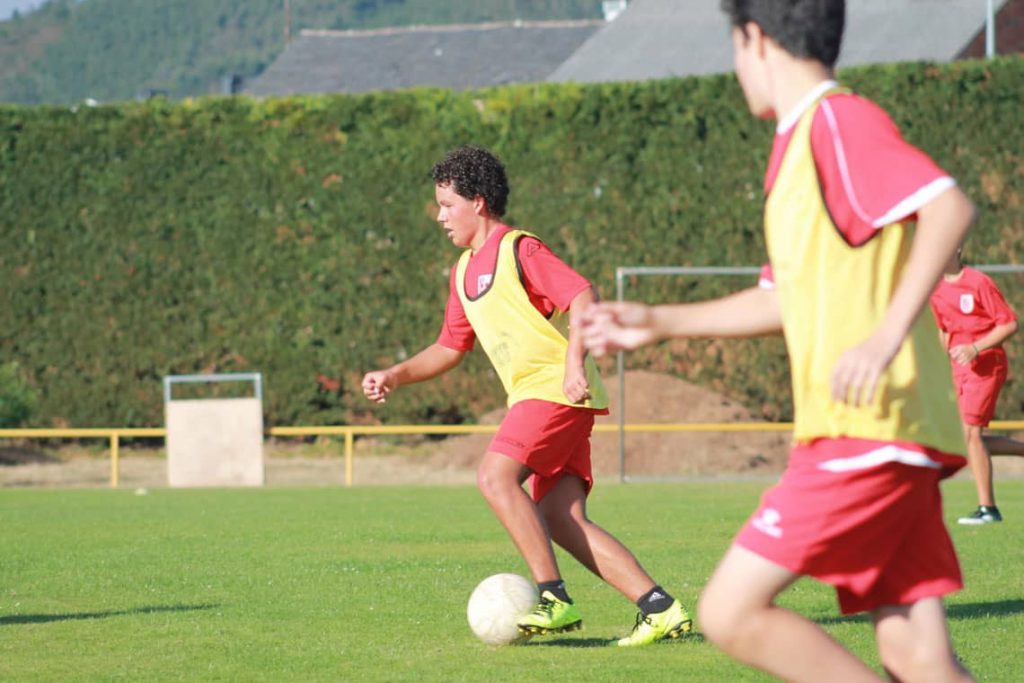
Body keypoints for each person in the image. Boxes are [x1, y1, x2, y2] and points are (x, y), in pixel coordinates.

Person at [580, 1, 977, 680]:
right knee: (916, 656)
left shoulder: (835, 121)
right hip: (881, 433)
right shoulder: (796, 149)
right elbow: (781, 298)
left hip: (864, 432)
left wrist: (883, 338)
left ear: (754, 38)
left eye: (733, 47)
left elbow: (949, 207)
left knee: (729, 611)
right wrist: (659, 320)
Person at [361, 145, 691, 646]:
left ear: (478, 202)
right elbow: (449, 347)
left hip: (555, 391)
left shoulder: (520, 249)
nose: (440, 217)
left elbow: (582, 296)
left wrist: (574, 362)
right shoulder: (463, 272)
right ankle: (659, 608)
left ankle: (553, 598)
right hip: (542, 399)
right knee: (561, 517)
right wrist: (395, 375)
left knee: (494, 477)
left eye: (447, 205)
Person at [930, 247, 1023, 525]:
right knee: (967, 440)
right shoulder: (934, 289)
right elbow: (944, 331)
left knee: (971, 434)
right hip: (959, 371)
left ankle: (988, 509)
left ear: (957, 247)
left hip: (986, 367)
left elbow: (1009, 324)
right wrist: (939, 369)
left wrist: (975, 348)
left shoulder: (978, 282)